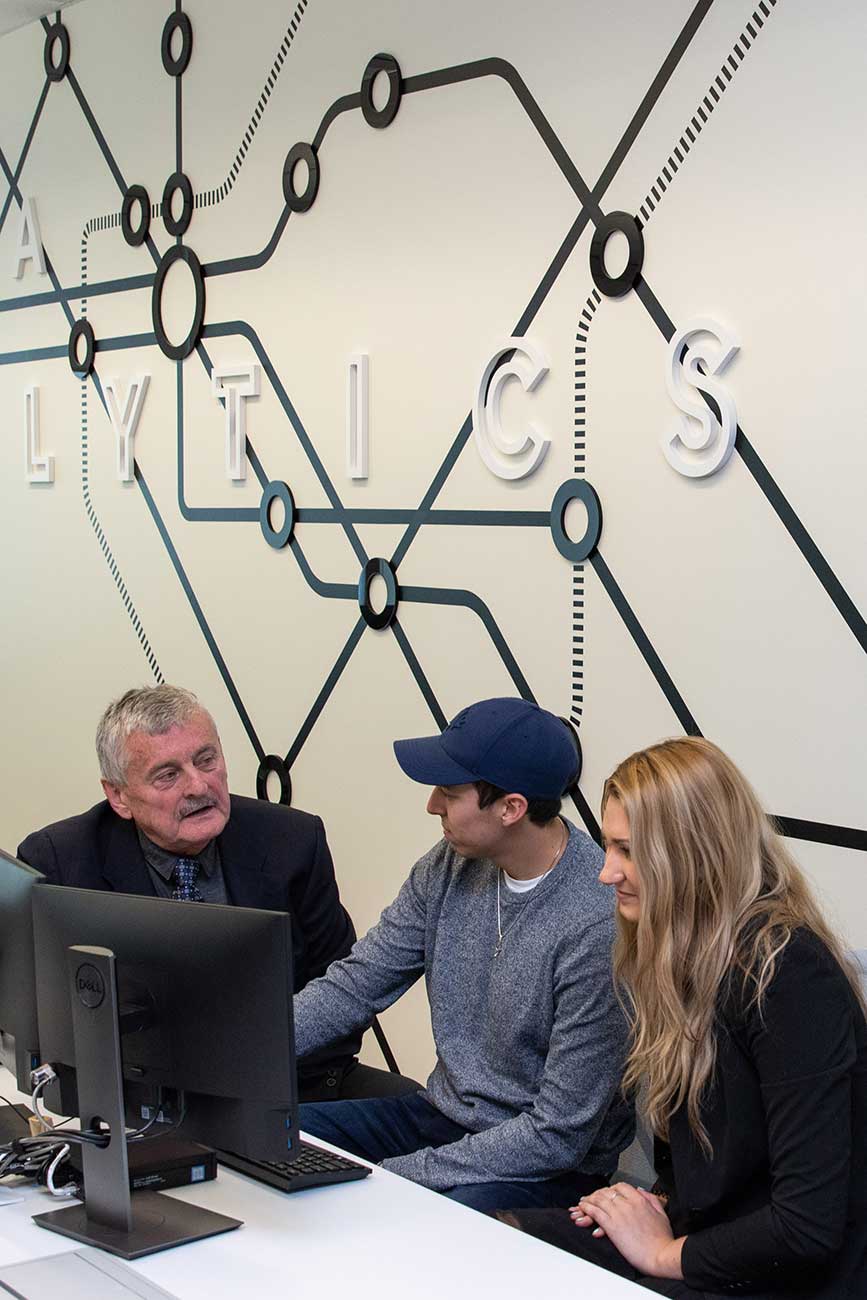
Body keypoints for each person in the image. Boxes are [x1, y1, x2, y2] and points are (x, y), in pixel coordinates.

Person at [501, 737, 867, 1299]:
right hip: (715, 1239)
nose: (606, 873)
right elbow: (713, 1165)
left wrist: (660, 1250)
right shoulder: (679, 954)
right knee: (504, 1242)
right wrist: (648, 1209)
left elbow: (806, 1226)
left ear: (695, 852)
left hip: (795, 1275)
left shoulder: (789, 973)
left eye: (627, 851)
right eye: (607, 847)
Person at [292, 696, 634, 1213]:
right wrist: (246, 1049)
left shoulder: (595, 922)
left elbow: (557, 1135)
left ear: (511, 808)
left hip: (545, 1163)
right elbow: (357, 983)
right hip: (440, 1119)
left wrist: (393, 1177)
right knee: (276, 1137)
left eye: (450, 793)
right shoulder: (448, 866)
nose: (432, 805)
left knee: (419, 1218)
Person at [17, 684, 419, 1102]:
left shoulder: (293, 841)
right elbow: (46, 1020)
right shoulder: (62, 860)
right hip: (136, 1092)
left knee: (412, 1107)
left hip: (281, 1077)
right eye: (168, 775)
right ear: (119, 796)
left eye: (206, 760)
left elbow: (340, 993)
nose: (198, 786)